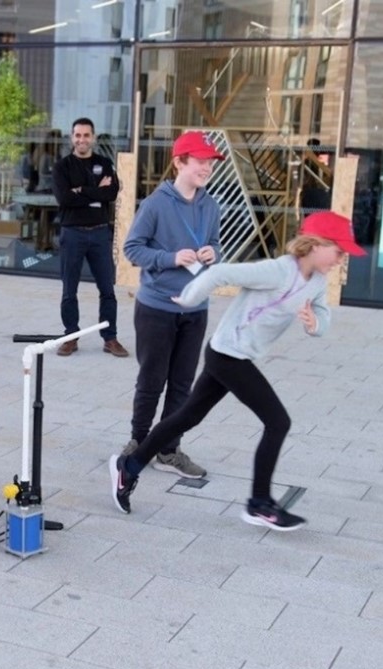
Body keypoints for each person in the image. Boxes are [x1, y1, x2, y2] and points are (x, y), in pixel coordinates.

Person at [109, 211, 366, 531]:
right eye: (339, 251)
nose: (342, 259)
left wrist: (316, 324)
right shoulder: (276, 271)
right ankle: (259, 504)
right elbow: (220, 274)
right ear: (315, 245)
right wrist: (188, 298)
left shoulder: (316, 282)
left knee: (188, 416)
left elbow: (322, 314)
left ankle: (129, 466)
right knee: (278, 421)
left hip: (238, 355)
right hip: (227, 354)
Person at [120, 131, 224, 479]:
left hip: (195, 309)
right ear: (179, 161)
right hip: (157, 308)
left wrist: (214, 253)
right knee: (152, 380)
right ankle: (138, 442)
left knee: (182, 384)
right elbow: (132, 249)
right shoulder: (155, 204)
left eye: (211, 162)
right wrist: (169, 257)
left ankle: (168, 448)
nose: (207, 167)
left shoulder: (210, 205)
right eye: (200, 160)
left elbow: (214, 245)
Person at [52, 117, 128, 357]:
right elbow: (64, 199)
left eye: (86, 135)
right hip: (72, 233)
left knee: (107, 288)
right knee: (69, 289)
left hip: (99, 234)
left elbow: (112, 192)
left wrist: (82, 190)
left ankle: (110, 338)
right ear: (72, 137)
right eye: (78, 135)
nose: (82, 139)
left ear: (93, 137)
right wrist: (96, 190)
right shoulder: (62, 167)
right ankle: (70, 336)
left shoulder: (104, 162)